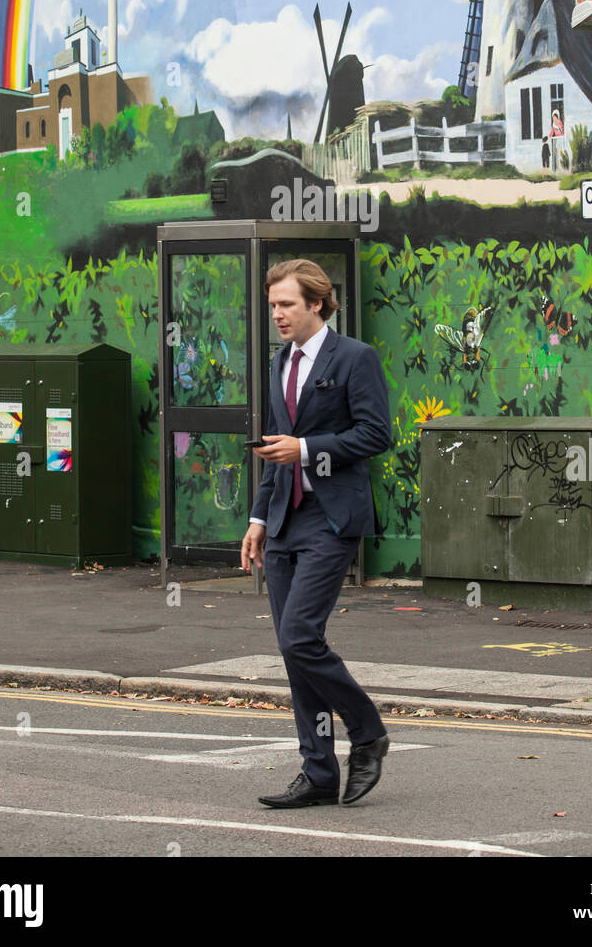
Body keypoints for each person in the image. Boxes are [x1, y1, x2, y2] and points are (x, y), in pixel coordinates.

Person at [241, 259, 391, 808]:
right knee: (293, 651)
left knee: (299, 635)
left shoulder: (354, 357)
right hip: (282, 519)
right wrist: (258, 519)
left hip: (330, 517)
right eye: (273, 304)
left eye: (286, 304)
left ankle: (369, 731)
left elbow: (376, 434)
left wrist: (307, 449)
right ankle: (320, 771)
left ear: (317, 305)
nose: (277, 314)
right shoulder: (279, 361)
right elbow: (272, 450)